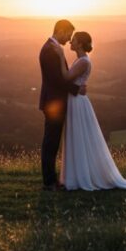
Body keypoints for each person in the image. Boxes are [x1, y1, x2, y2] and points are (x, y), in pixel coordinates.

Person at [52, 31, 126, 191]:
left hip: (77, 102)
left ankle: (81, 176)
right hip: (75, 100)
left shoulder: (83, 62)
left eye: (74, 40)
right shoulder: (80, 60)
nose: (70, 41)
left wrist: (59, 55)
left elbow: (65, 78)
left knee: (78, 135)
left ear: (80, 44)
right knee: (76, 136)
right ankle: (76, 175)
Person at [38, 19, 86, 191]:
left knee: (53, 142)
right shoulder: (50, 50)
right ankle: (49, 182)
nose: (69, 39)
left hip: (54, 102)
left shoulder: (53, 48)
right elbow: (57, 80)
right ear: (60, 30)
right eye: (68, 34)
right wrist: (76, 88)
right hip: (53, 104)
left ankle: (51, 180)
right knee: (51, 142)